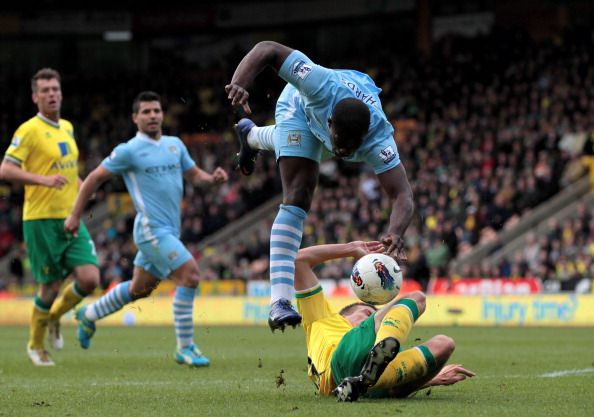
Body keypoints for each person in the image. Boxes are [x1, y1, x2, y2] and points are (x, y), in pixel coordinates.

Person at [225, 41, 414, 331]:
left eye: (353, 146)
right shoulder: (316, 83)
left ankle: (250, 136)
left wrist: (396, 232)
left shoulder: (379, 140)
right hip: (298, 108)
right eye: (341, 142)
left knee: (303, 148)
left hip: (323, 125)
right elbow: (268, 49)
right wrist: (240, 83)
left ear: (365, 136)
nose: (343, 152)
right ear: (330, 123)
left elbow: (402, 193)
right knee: (299, 193)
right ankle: (280, 301)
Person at [64, 91, 228, 367]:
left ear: (162, 114)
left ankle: (89, 315)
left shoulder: (175, 145)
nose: (152, 115)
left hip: (169, 231)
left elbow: (195, 176)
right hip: (151, 230)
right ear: (135, 118)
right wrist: (75, 215)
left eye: (156, 110)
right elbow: (94, 178)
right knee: (190, 275)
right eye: (146, 112)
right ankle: (185, 347)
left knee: (139, 289)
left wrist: (213, 179)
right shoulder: (129, 150)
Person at [0, 68, 100, 366]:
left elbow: (68, 169)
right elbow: (5, 170)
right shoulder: (28, 130)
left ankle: (55, 317)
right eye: (45, 91)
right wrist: (42, 180)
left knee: (90, 278)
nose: (52, 94)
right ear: (35, 97)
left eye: (55, 89)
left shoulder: (67, 127)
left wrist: (82, 188)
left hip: (70, 216)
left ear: (61, 93)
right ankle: (35, 345)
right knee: (51, 286)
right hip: (41, 218)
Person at [293, 240, 475, 401]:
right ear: (343, 315)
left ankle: (363, 382)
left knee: (445, 344)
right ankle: (374, 365)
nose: (371, 318)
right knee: (418, 297)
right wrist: (351, 248)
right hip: (340, 360)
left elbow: (397, 389)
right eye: (366, 313)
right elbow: (299, 260)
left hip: (355, 385)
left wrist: (428, 380)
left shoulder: (386, 339)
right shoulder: (324, 318)